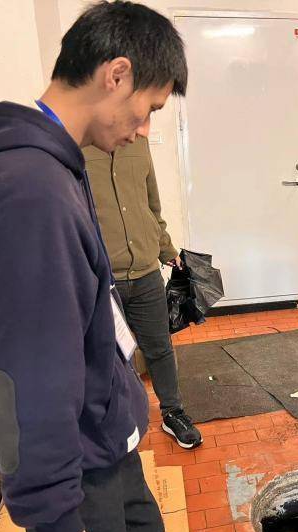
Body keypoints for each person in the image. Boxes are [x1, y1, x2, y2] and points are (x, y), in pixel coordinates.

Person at [0, 2, 188, 532]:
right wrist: (56, 519)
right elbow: (28, 370)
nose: (142, 129)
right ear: (116, 75)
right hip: (76, 475)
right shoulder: (31, 189)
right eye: (148, 108)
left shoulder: (55, 165)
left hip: (102, 443)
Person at [84, 136, 203, 449]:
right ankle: (117, 422)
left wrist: (167, 250)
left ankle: (173, 413)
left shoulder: (139, 143)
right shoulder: (76, 144)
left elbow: (152, 206)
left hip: (147, 273)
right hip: (102, 280)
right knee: (109, 358)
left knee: (160, 349)